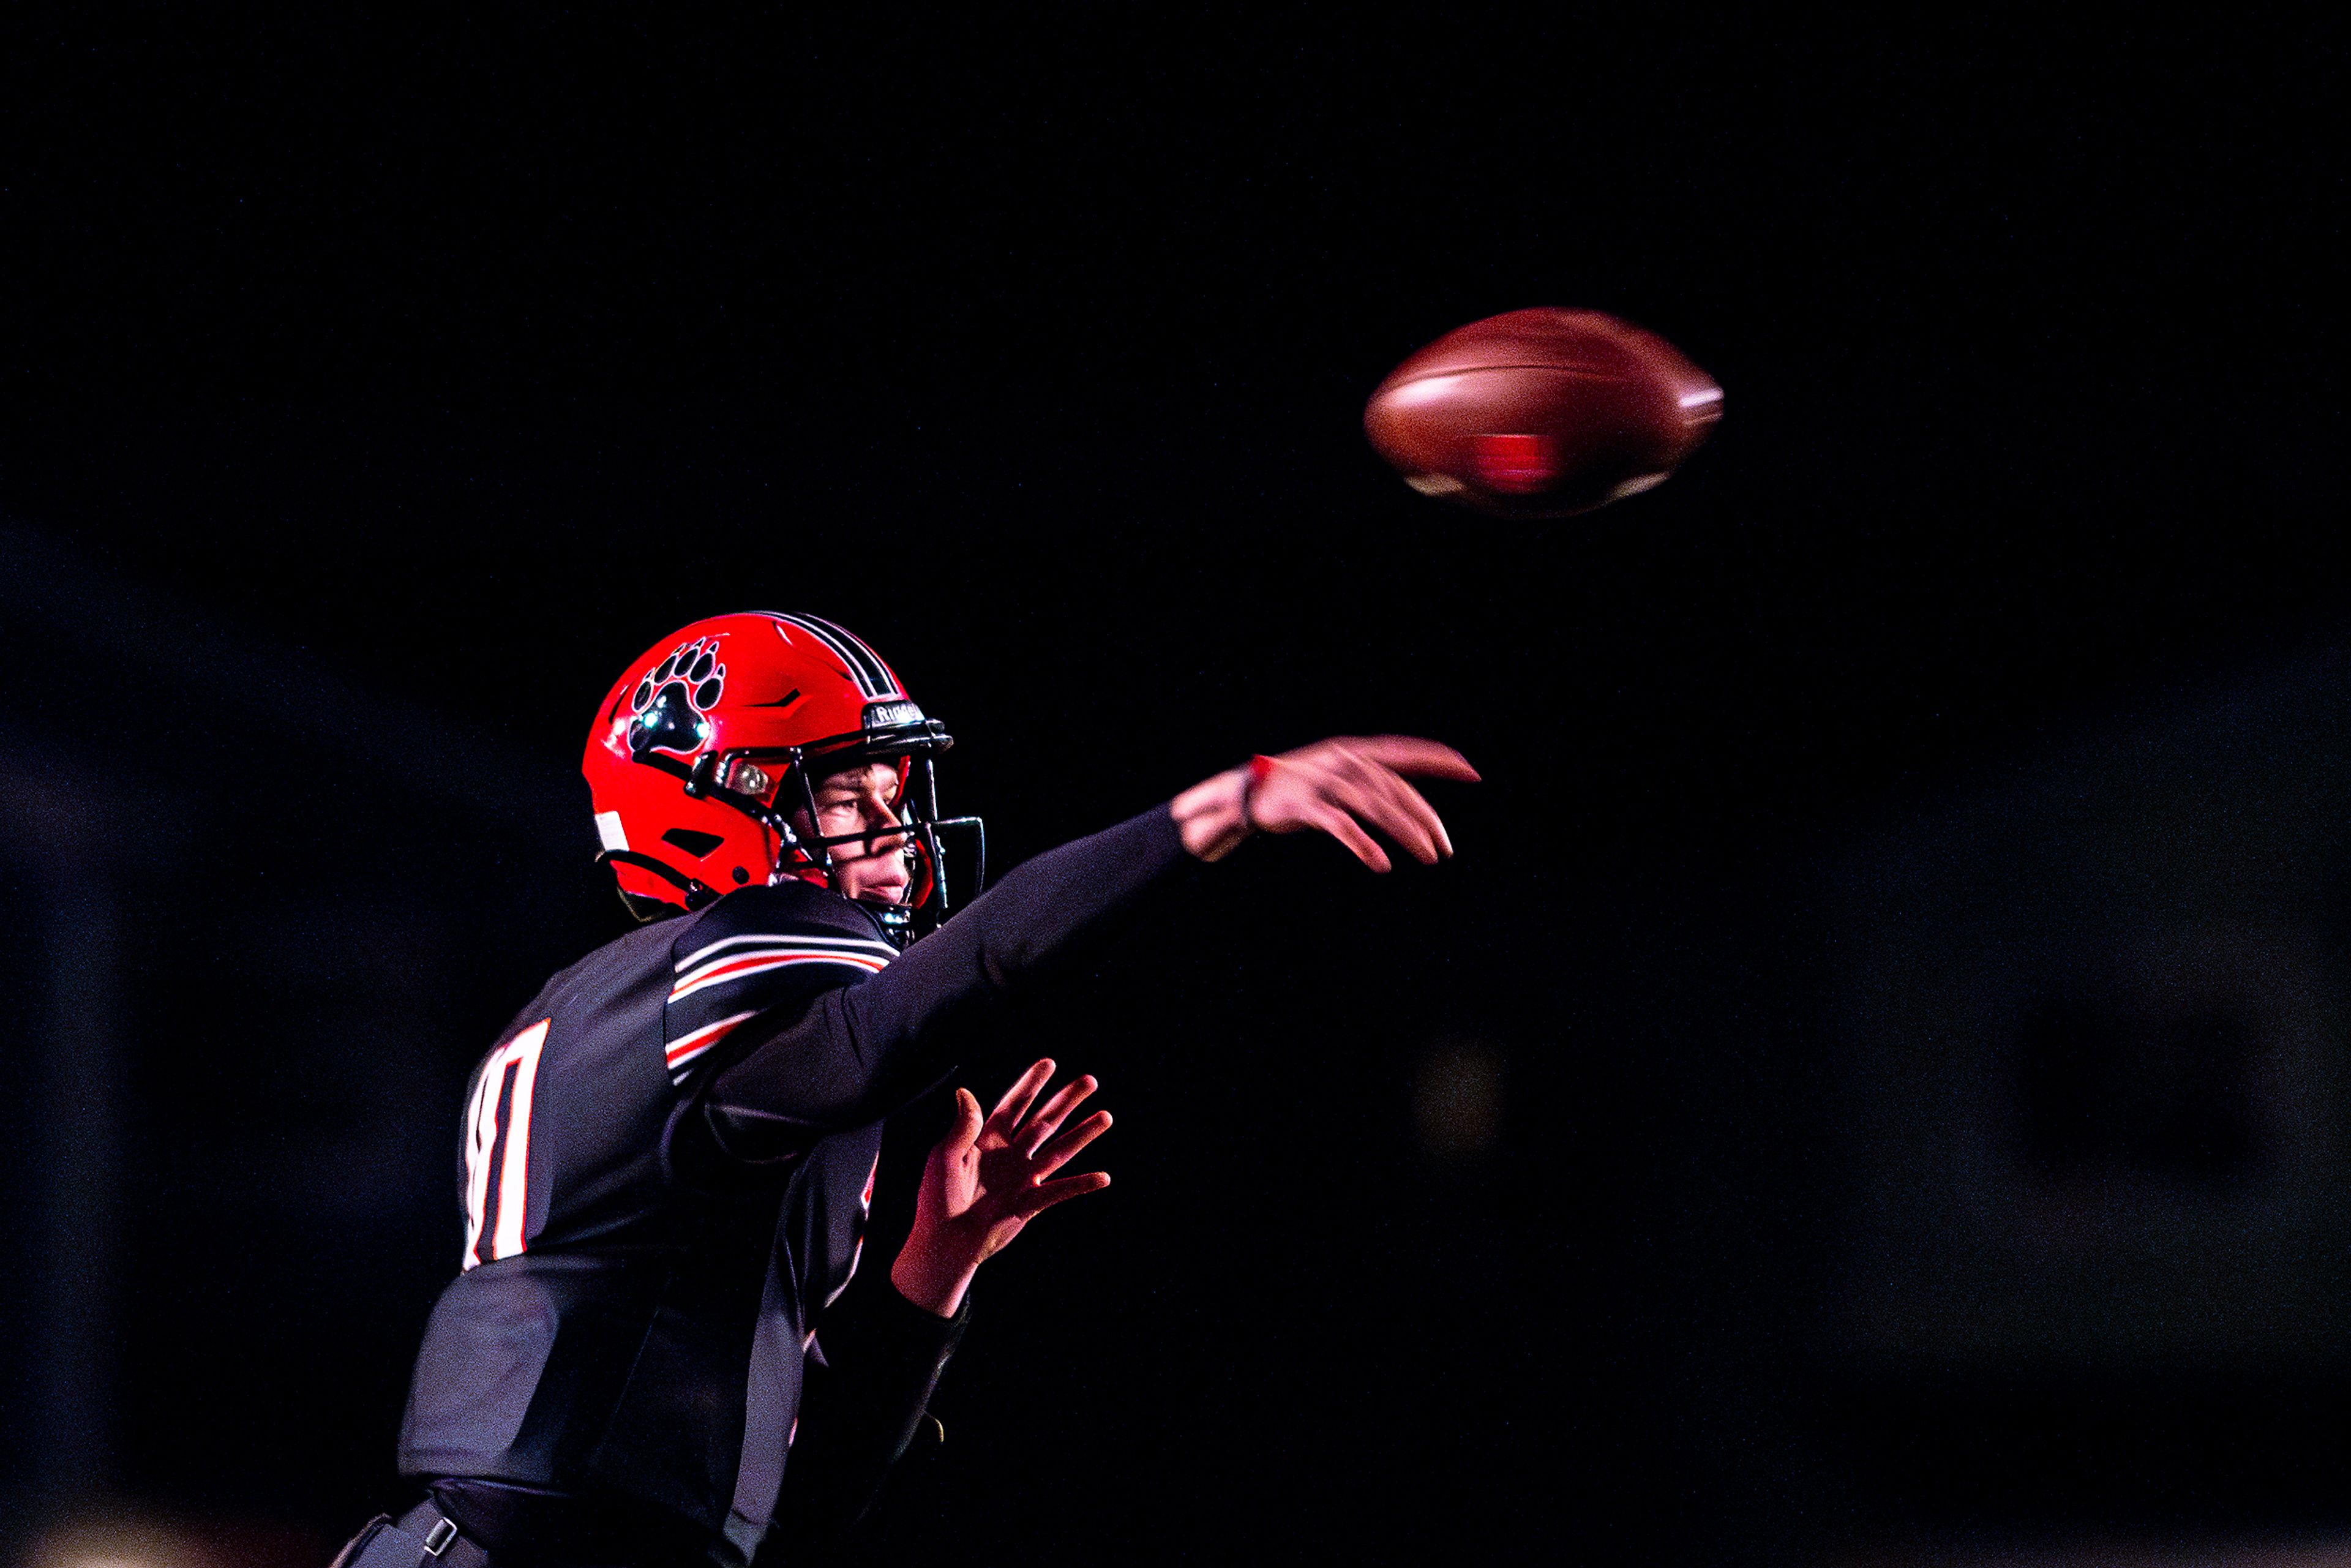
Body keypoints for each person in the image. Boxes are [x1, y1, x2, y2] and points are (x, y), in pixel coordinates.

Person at [332, 610, 1475, 1567]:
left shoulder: (643, 1030)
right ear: (711, 797)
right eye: (849, 793)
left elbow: (786, 1509)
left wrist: (936, 1265)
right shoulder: (732, 968)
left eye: (896, 789)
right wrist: (1218, 811)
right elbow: (961, 978)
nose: (896, 831)